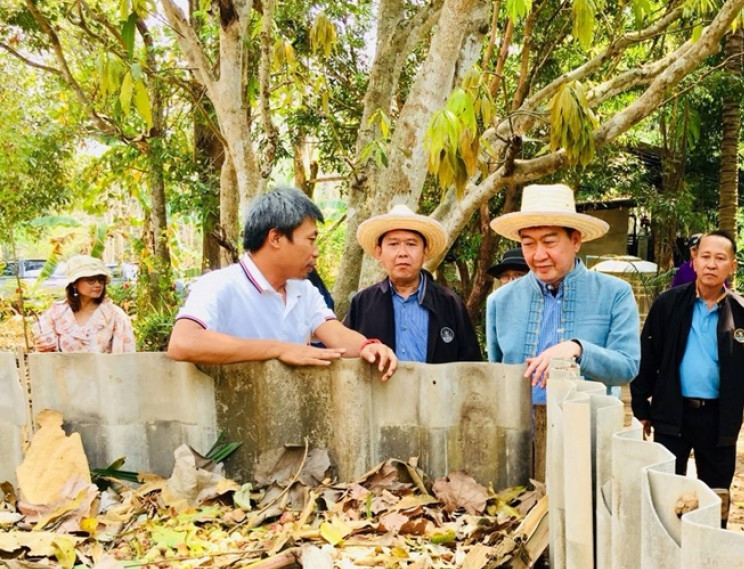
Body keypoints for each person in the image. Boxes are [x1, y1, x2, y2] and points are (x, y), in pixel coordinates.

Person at [485, 183, 640, 472]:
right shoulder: (500, 301)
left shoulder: (614, 293)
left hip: (591, 440)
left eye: (549, 242)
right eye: (528, 243)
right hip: (519, 439)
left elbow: (627, 366)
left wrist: (578, 349)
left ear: (575, 240)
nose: (538, 255)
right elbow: (498, 375)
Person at [167, 187, 396, 377]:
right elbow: (183, 342)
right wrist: (278, 349)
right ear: (276, 238)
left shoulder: (304, 291)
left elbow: (336, 334)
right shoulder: (219, 285)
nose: (316, 252)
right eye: (310, 239)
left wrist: (369, 347)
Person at [630, 231, 744, 527]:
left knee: (715, 497)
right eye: (705, 256)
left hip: (719, 419)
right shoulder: (667, 304)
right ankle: (669, 548)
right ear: (694, 260)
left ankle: (711, 545)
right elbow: (648, 357)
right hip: (672, 414)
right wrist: (641, 406)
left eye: (720, 258)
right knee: (667, 494)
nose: (711, 264)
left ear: (732, 266)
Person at [345, 205, 481, 363]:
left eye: (411, 244)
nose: (402, 253)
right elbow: (346, 357)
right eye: (393, 244)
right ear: (379, 252)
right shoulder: (363, 303)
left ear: (425, 251)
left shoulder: (449, 303)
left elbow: (470, 365)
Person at [34, 256, 135, 353]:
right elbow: (46, 351)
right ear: (75, 283)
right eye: (91, 280)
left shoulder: (114, 315)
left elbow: (125, 355)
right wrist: (41, 346)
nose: (97, 284)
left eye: (101, 280)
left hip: (104, 366)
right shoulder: (56, 314)